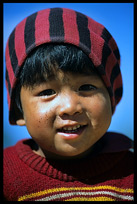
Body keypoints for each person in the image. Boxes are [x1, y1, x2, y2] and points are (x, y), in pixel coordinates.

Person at [4, 7, 134, 201]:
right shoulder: (7, 174)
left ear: (111, 97)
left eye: (87, 87)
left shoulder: (129, 172)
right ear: (19, 111)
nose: (70, 107)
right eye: (47, 92)